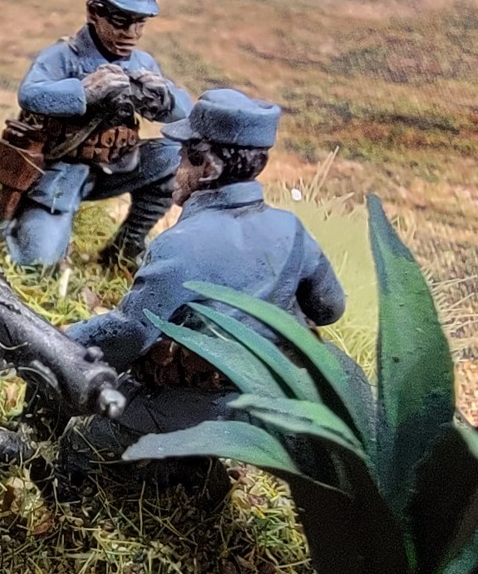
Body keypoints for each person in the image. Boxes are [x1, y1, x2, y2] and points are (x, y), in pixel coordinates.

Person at [55, 88, 348, 485]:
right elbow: (329, 308)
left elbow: (130, 335)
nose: (175, 167)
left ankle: (149, 475)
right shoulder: (291, 230)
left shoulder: (180, 245)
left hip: (187, 402)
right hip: (259, 408)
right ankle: (188, 466)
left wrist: (61, 340)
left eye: (182, 157)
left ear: (207, 168)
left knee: (79, 440)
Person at [0, 0, 192, 267]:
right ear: (94, 12)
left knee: (173, 156)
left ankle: (128, 245)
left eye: (140, 23)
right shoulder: (63, 57)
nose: (131, 34)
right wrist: (83, 92)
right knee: (37, 262)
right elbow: (30, 94)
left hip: (118, 166)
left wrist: (165, 97)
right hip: (60, 173)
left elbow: (184, 116)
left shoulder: (142, 63)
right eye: (120, 21)